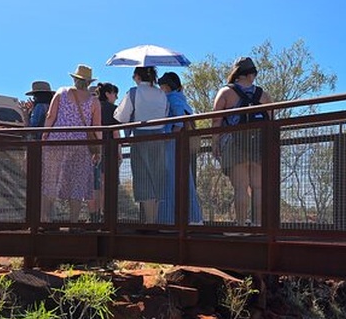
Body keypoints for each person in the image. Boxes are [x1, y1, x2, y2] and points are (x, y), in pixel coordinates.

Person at [212, 57, 272, 227]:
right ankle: (258, 225)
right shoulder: (263, 95)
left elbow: (216, 120)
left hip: (234, 141)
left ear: (236, 73)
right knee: (258, 187)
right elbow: (271, 120)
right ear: (252, 74)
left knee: (241, 186)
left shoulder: (226, 92)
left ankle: (240, 226)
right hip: (259, 142)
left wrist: (215, 142)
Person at [41, 64, 101, 223]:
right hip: (80, 144)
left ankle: (44, 219)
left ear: (74, 79)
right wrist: (98, 149)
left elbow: (50, 116)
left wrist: (45, 135)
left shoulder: (61, 92)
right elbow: (97, 127)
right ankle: (73, 221)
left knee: (51, 180)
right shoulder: (94, 101)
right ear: (89, 82)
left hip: (57, 141)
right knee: (77, 183)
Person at [113, 66, 168, 224]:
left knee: (143, 179)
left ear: (137, 76)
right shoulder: (161, 94)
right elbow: (165, 114)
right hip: (160, 137)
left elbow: (121, 116)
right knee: (157, 178)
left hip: (140, 138)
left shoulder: (133, 92)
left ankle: (149, 222)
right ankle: (154, 221)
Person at [156, 72, 203, 225]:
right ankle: (192, 217)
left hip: (172, 143)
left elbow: (179, 121)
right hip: (181, 144)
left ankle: (169, 219)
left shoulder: (172, 98)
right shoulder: (182, 99)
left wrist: (171, 136)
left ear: (167, 86)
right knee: (184, 178)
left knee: (169, 179)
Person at [89, 82, 120, 222]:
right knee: (106, 184)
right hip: (109, 149)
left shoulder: (92, 107)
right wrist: (119, 152)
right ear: (107, 94)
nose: (116, 97)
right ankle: (105, 215)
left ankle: (93, 216)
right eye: (114, 94)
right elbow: (116, 132)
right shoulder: (113, 109)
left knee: (93, 184)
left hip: (92, 149)